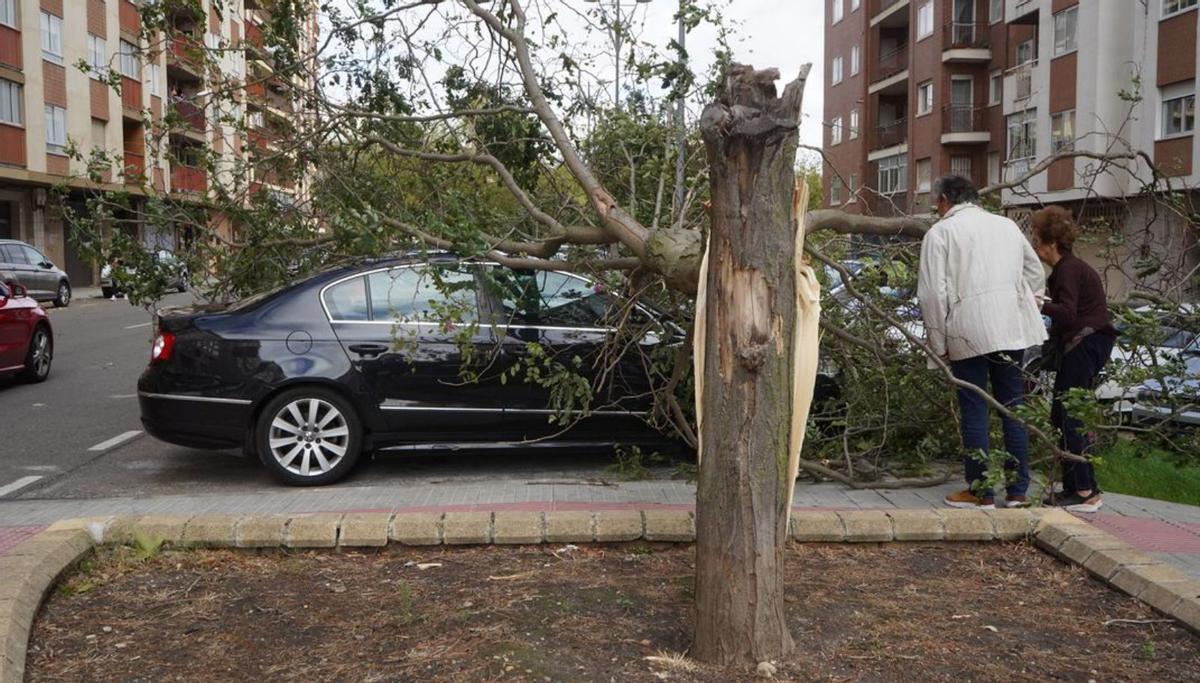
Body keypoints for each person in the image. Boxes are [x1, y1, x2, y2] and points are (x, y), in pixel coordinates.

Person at [918, 175, 1048, 510]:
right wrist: (1029, 300)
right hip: (1009, 327)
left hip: (967, 329)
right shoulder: (1006, 225)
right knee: (1013, 407)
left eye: (937, 202)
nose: (937, 209)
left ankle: (981, 490)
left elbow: (933, 294)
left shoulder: (941, 232)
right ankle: (1018, 490)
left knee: (974, 408)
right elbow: (1035, 270)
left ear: (946, 199)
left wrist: (938, 340)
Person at [1031, 206, 1117, 513]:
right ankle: (1078, 487)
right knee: (1063, 413)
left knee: (1070, 415)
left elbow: (1067, 313)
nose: (1034, 245)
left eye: (1037, 239)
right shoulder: (1069, 269)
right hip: (1089, 342)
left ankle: (1083, 490)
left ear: (1050, 242)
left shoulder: (1067, 269)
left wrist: (1037, 303)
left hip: (1085, 342)